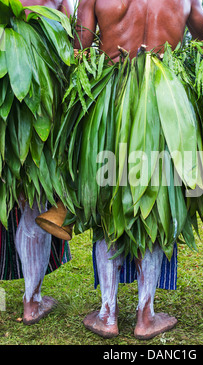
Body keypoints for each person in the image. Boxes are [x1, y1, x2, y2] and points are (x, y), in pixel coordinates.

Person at [74, 0, 203, 340]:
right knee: (153, 206)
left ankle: (107, 313)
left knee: (109, 203)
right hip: (164, 102)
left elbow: (81, 45)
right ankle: (146, 315)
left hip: (111, 100)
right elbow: (201, 22)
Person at [0, 0, 74, 326]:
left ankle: (31, 300)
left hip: (25, 97)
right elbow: (72, 43)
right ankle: (32, 303)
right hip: (39, 99)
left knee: (24, 197)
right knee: (33, 202)